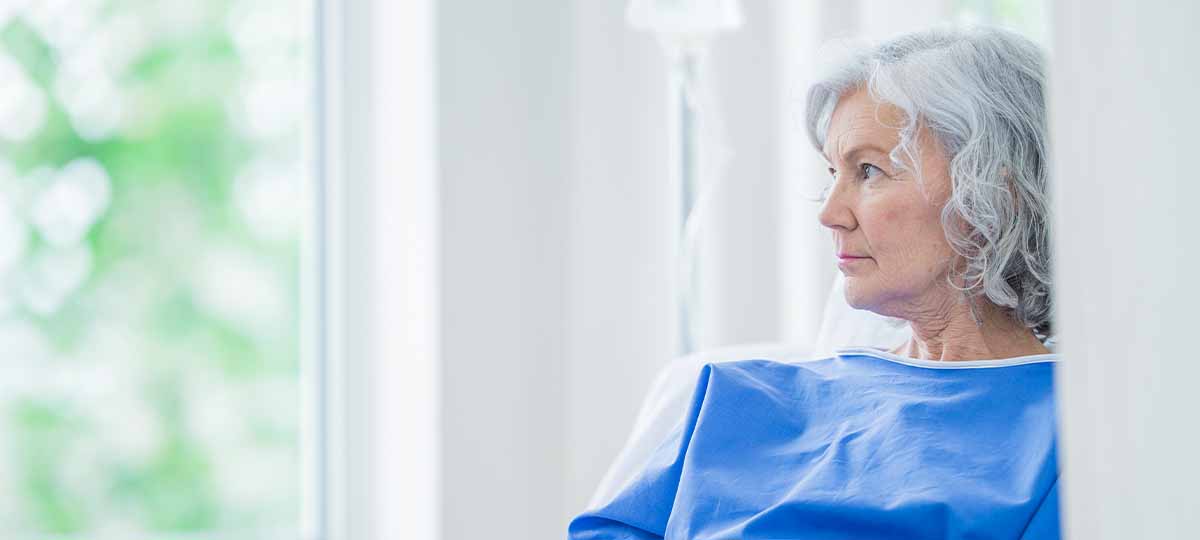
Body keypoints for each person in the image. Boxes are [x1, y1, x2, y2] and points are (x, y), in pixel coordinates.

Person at [568, 26, 1059, 539]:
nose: (829, 213)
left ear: (993, 194)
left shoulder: (1064, 436)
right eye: (832, 174)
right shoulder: (736, 398)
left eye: (868, 170)